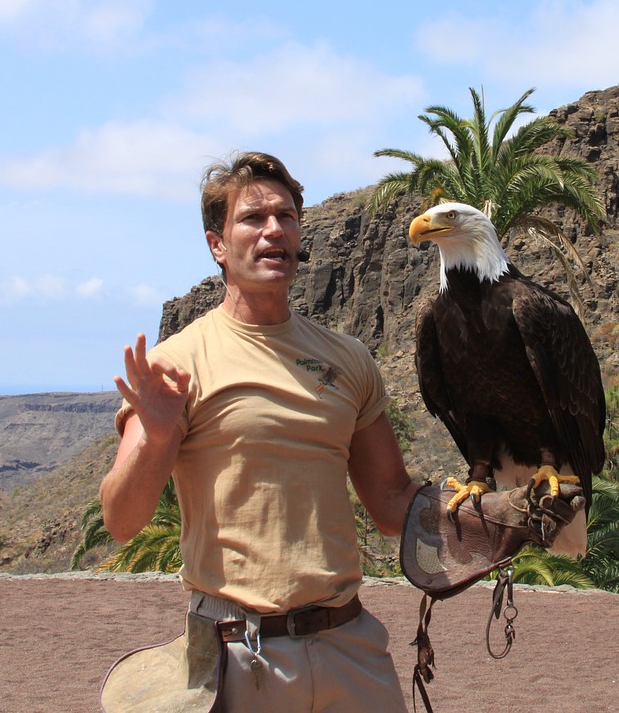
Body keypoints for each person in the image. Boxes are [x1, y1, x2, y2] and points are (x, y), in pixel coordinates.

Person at [100, 151, 419, 711]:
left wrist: (486, 509)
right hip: (237, 655)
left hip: (350, 644)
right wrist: (153, 432)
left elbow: (393, 504)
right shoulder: (179, 365)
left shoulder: (348, 359)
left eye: (287, 216)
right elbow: (122, 520)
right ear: (217, 245)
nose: (274, 229)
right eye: (252, 218)